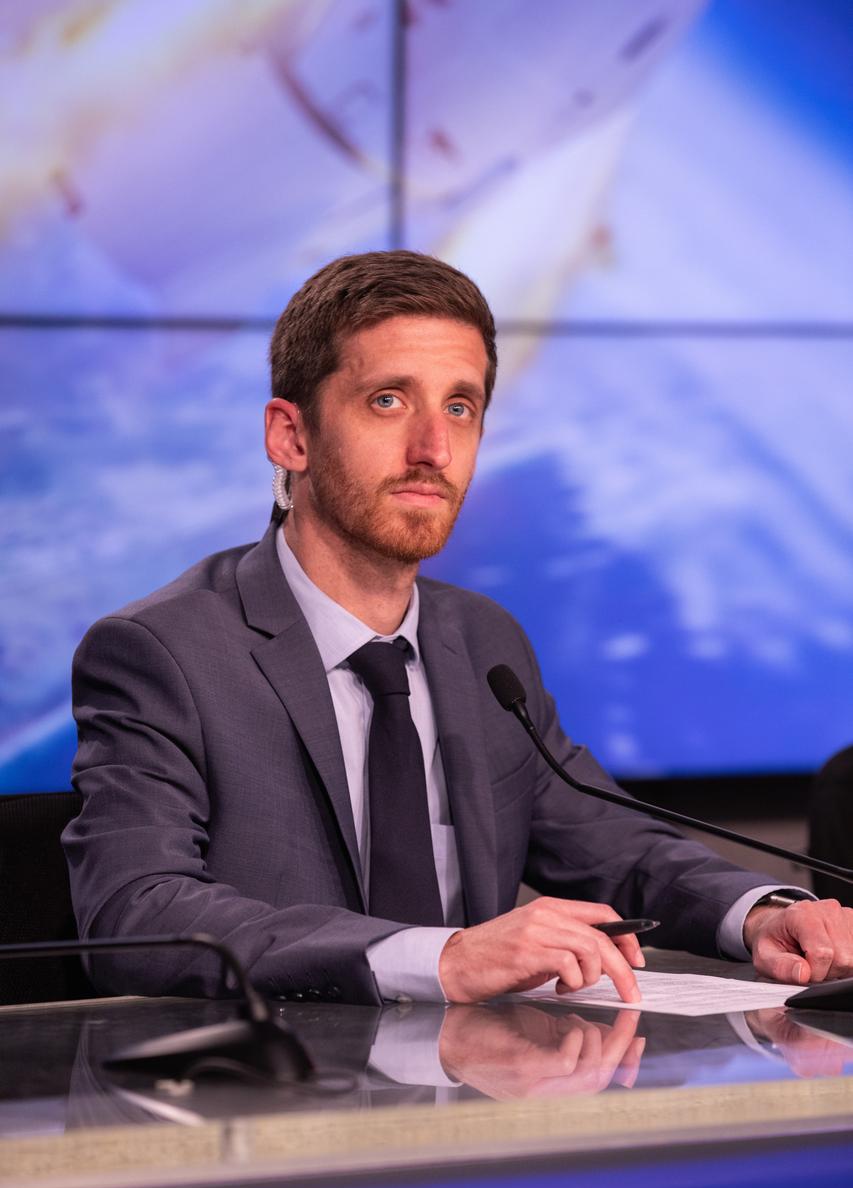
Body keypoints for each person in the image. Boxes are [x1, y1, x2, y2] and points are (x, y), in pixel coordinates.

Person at [63, 251, 853, 1006]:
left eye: (459, 407)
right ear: (289, 436)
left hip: (475, 1094)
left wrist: (757, 911)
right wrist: (440, 957)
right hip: (264, 1104)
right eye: (387, 400)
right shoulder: (163, 652)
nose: (431, 450)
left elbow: (608, 841)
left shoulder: (480, 641)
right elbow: (136, 912)